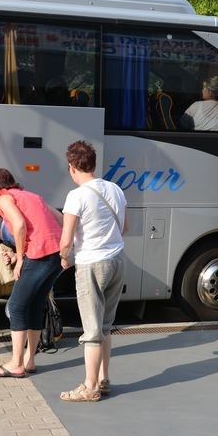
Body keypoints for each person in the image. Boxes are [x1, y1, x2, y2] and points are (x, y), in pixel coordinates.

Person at [58, 140, 127, 402]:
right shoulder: (115, 189)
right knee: (106, 326)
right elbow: (125, 226)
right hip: (117, 260)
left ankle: (89, 386)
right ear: (93, 164)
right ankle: (103, 379)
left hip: (92, 264)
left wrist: (64, 257)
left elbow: (66, 240)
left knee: (91, 330)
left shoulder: (76, 196)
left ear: (72, 167)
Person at [0, 168, 63, 378]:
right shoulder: (32, 195)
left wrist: (20, 258)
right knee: (36, 305)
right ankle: (29, 360)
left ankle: (16, 363)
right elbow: (60, 218)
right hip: (56, 255)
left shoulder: (3, 197)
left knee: (17, 307)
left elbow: (19, 224)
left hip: (38, 254)